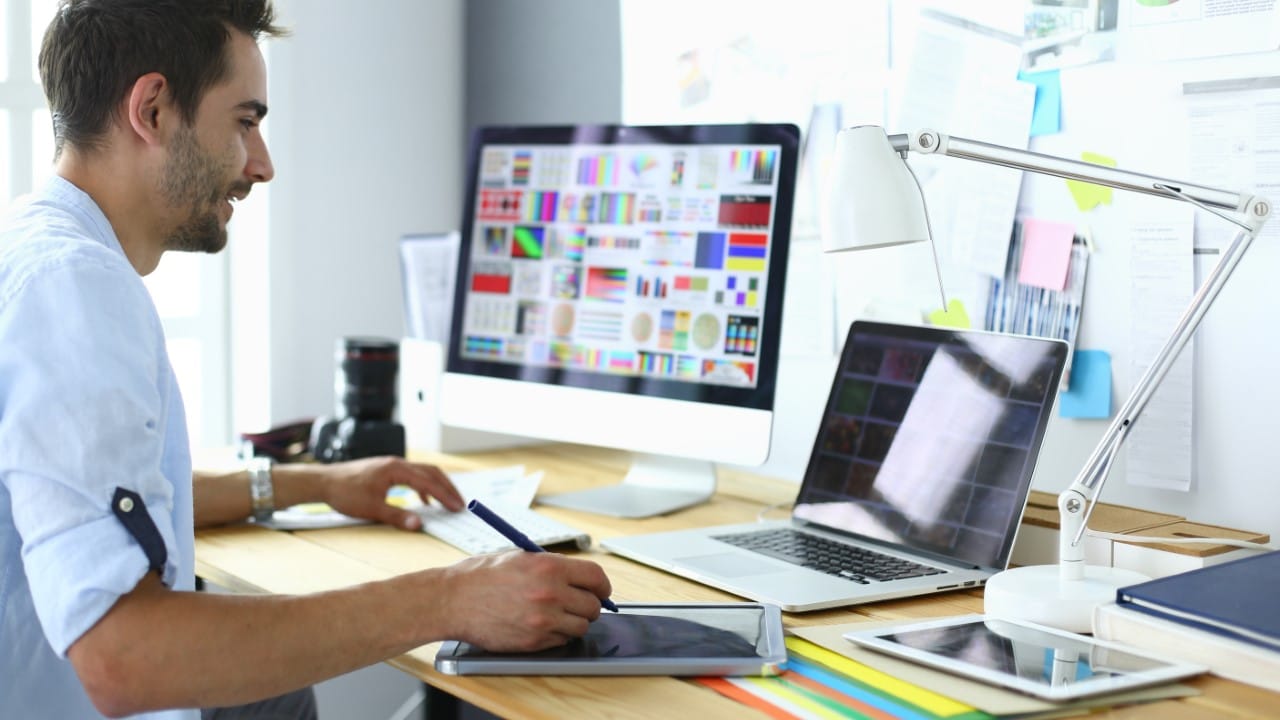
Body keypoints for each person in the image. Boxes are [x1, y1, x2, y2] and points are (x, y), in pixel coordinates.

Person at [0, 1, 614, 718]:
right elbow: (121, 658)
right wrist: (450, 597)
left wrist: (310, 484)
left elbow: (101, 485)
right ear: (154, 109)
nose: (262, 165)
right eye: (245, 121)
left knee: (284, 699)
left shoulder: (33, 247)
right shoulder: (75, 290)